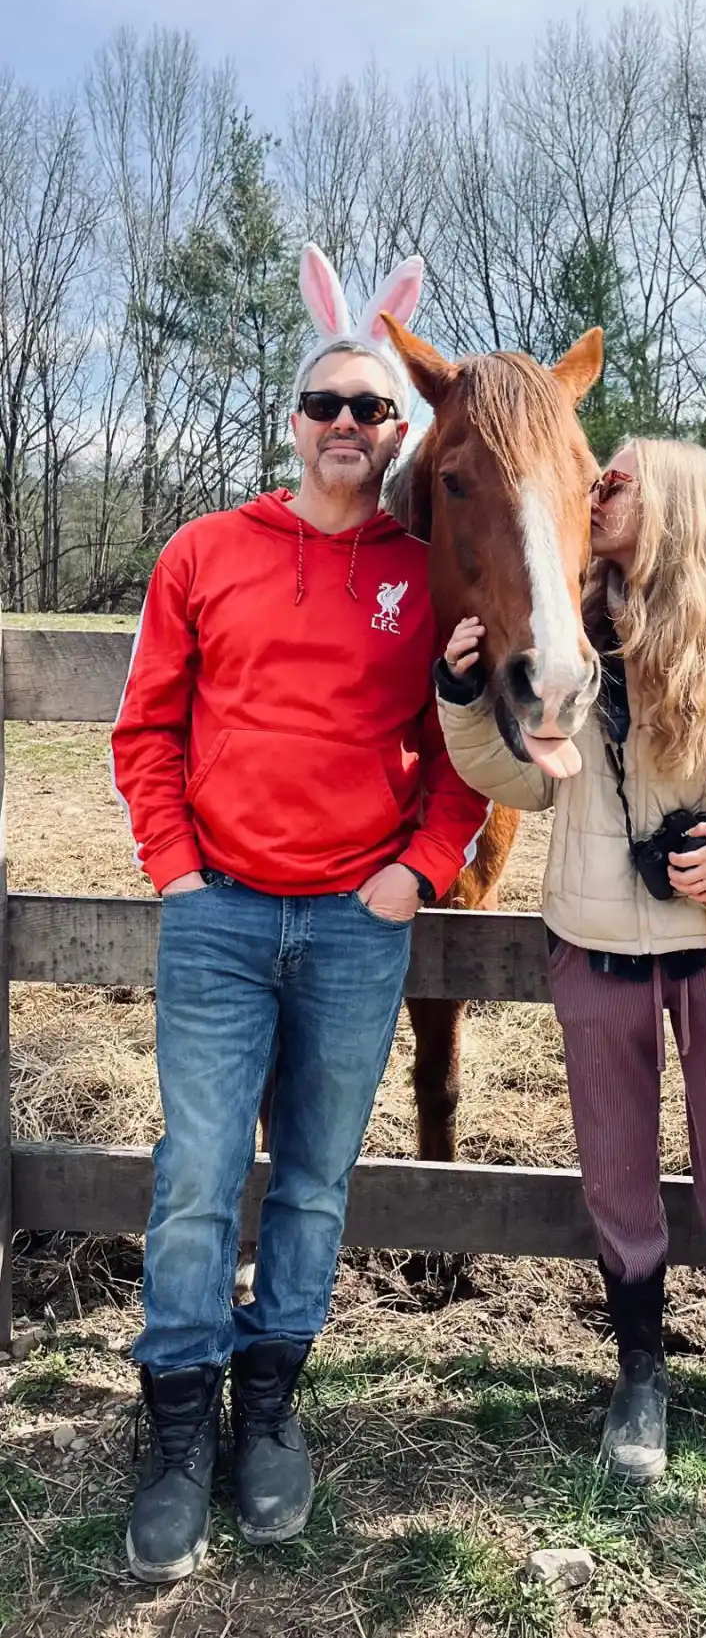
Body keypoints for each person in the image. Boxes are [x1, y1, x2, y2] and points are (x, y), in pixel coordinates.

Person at [110, 244, 489, 1583]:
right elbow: (146, 726)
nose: (346, 423)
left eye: (371, 408)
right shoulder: (206, 551)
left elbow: (463, 752)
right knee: (199, 1172)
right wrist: (173, 866)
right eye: (326, 402)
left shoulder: (424, 576)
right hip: (218, 914)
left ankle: (268, 1409)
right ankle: (177, 1427)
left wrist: (419, 870)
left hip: (350, 924)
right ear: (294, 420)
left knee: (317, 1179)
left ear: (396, 433)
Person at [435, 437, 706, 1487]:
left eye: (613, 478)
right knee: (615, 1172)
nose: (594, 489)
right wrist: (460, 699)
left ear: (676, 503)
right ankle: (640, 1377)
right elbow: (518, 781)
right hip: (598, 949)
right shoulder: (567, 634)